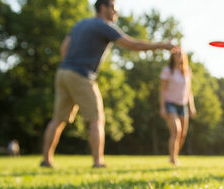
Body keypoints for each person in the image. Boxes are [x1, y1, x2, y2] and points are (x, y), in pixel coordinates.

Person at [40, 0, 175, 168]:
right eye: (114, 9)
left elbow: (63, 48)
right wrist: (162, 45)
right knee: (96, 119)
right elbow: (132, 44)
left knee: (58, 119)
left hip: (63, 72)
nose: (116, 13)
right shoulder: (104, 26)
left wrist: (71, 64)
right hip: (81, 75)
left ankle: (47, 160)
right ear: (103, 7)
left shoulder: (80, 24)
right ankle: (98, 162)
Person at [159, 48, 196, 165]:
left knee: (182, 135)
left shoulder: (187, 71)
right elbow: (162, 90)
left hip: (183, 104)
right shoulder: (167, 71)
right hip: (170, 103)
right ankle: (173, 158)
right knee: (176, 130)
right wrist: (162, 107)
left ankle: (174, 155)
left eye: (180, 54)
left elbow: (189, 91)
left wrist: (191, 106)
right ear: (172, 57)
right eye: (176, 54)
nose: (178, 56)